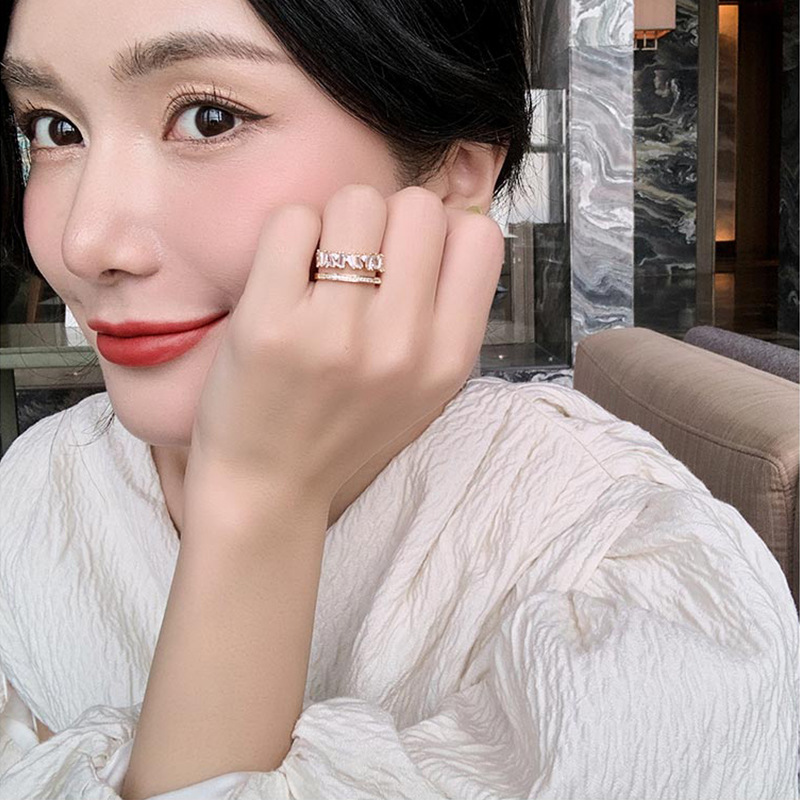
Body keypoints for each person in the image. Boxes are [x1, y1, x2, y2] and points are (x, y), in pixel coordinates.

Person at [0, 1, 797, 798]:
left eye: (210, 118)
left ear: (455, 174)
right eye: (54, 130)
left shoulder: (631, 584)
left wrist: (258, 500)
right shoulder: (36, 488)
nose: (83, 243)